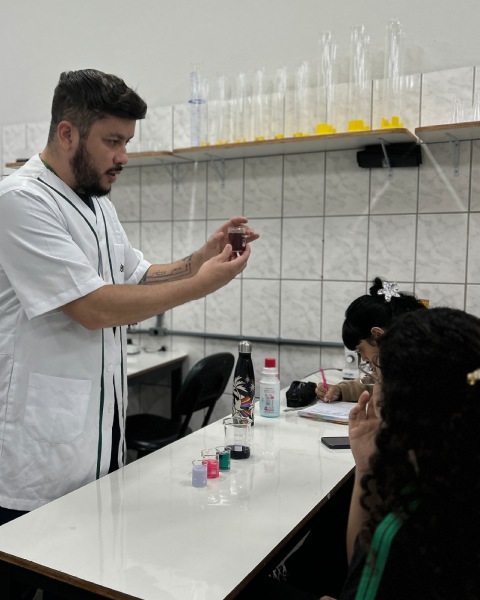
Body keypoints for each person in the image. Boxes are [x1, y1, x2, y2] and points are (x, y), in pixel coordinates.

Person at [0, 69, 259, 524]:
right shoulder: (21, 200)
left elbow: (137, 277)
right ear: (67, 134)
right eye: (113, 141)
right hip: (34, 462)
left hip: (97, 444)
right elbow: (93, 308)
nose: (123, 156)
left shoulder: (98, 203)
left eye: (127, 142)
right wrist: (201, 285)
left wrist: (201, 257)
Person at [321, 306, 480, 599]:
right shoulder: (454, 471)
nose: (374, 386)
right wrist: (366, 467)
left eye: (377, 375)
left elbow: (367, 569)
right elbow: (365, 569)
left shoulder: (411, 524)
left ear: (405, 402)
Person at [316, 278, 426, 402]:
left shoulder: (422, 371)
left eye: (360, 350)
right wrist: (340, 390)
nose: (363, 358)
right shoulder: (394, 365)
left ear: (377, 335)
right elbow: (372, 384)